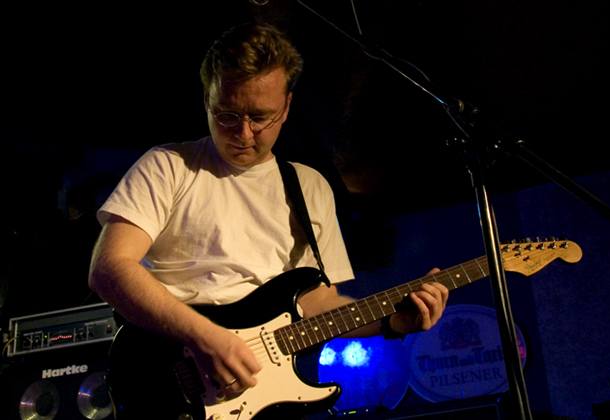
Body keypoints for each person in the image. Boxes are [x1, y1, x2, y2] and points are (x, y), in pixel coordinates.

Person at [88, 22, 448, 418]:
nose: (244, 133)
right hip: (172, 379)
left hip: (269, 399)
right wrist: (203, 336)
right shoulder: (168, 166)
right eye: (227, 115)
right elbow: (109, 269)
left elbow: (318, 303)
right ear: (207, 99)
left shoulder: (309, 187)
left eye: (260, 117)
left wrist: (393, 321)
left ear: (287, 106)